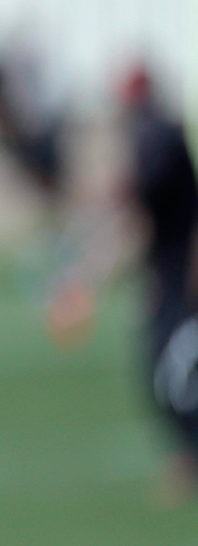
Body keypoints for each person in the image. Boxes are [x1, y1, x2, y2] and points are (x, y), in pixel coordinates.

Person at [115, 61, 198, 504]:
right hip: (168, 279)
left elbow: (134, 196)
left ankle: (190, 456)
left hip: (182, 281)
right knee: (165, 372)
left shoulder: (158, 135)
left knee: (174, 373)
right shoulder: (155, 134)